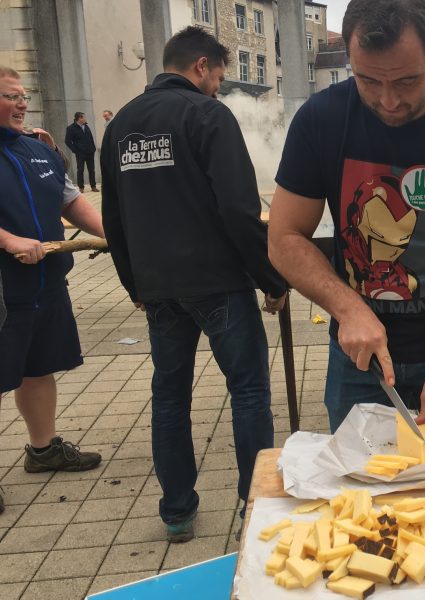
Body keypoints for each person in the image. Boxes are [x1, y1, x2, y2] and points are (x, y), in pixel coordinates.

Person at [268, 0, 425, 457]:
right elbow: (284, 238)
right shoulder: (320, 122)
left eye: (406, 81)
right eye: (368, 80)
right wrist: (348, 307)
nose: (388, 100)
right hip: (358, 363)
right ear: (350, 55)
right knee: (363, 506)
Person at [100, 26, 288, 544]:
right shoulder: (206, 115)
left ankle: (177, 511)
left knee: (169, 396)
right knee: (248, 391)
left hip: (159, 287)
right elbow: (238, 208)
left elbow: (113, 218)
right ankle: (256, 508)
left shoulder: (121, 127)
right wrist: (270, 278)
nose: (218, 87)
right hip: (219, 283)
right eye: (219, 76)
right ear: (201, 66)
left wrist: (133, 284)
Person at [0, 66, 105, 518]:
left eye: (24, 95)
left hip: (47, 283)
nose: (22, 103)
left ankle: (42, 451)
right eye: (10, 96)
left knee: (39, 369)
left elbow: (69, 201)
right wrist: (6, 239)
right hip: (4, 290)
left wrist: (117, 235)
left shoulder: (37, 149)